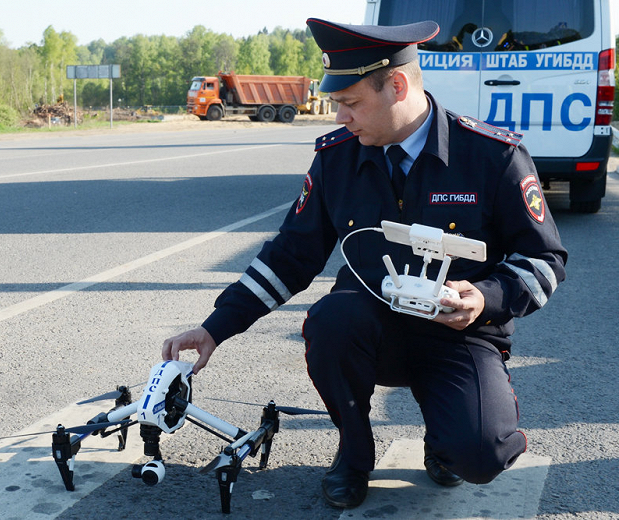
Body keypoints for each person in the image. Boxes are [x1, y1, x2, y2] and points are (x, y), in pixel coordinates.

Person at [162, 18, 567, 509]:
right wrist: (214, 328)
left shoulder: (491, 156)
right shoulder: (337, 159)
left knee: (478, 456)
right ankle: (354, 453)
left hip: (459, 332)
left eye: (350, 103)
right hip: (370, 328)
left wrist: (486, 297)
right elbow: (291, 255)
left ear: (397, 86)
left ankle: (444, 443)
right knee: (330, 320)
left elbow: (545, 260)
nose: (340, 118)